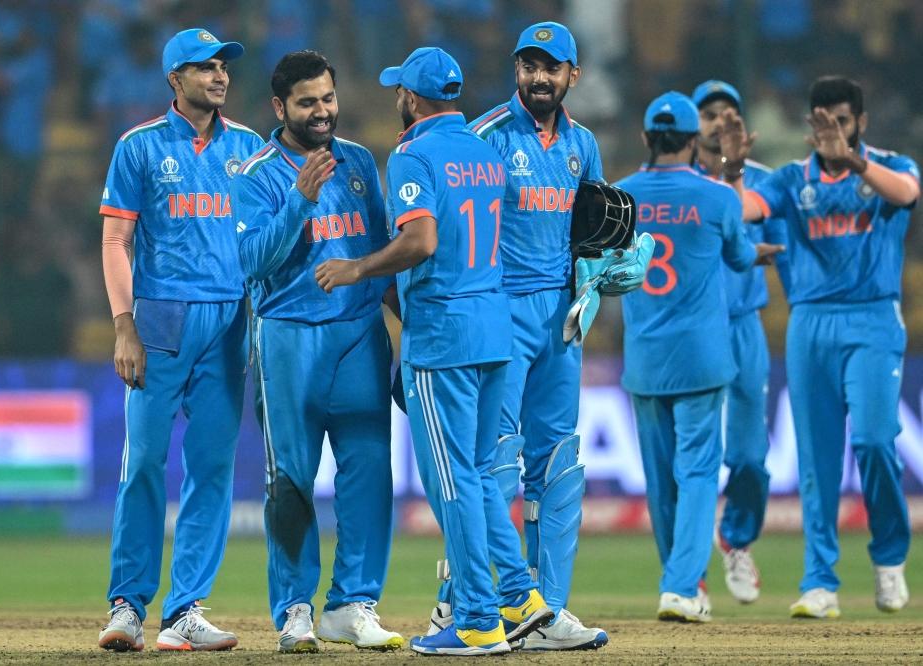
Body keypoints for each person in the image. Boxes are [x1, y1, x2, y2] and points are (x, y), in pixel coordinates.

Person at [315, 46, 553, 656]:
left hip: (444, 336)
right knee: (475, 476)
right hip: (495, 327)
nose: (397, 96)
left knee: (450, 483)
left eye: (400, 89)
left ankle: (475, 618)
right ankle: (521, 598)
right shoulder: (485, 150)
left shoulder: (413, 153)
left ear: (412, 98)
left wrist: (359, 267)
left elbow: (420, 240)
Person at [430, 22, 613, 650]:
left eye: (551, 67)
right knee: (493, 470)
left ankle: (546, 614)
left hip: (561, 321)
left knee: (559, 468)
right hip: (497, 316)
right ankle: (459, 608)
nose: (538, 78)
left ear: (572, 76)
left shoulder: (583, 144)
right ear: (516, 70)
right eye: (528, 66)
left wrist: (604, 271)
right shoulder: (481, 138)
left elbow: (588, 235)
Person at [726, 76, 918, 618]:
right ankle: (820, 582)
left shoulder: (893, 167)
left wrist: (853, 163)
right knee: (816, 461)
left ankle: (888, 559)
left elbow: (907, 196)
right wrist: (735, 170)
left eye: (841, 119)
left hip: (874, 318)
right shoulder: (790, 179)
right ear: (810, 123)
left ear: (861, 121)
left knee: (878, 442)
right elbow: (737, 212)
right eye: (822, 120)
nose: (831, 130)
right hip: (810, 323)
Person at [96, 28, 263, 652]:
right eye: (204, 67)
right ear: (175, 79)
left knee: (213, 469)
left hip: (229, 322)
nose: (219, 76)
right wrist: (123, 326)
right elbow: (117, 240)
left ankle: (185, 611)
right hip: (159, 322)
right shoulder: (138, 147)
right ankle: (127, 606)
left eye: (223, 67)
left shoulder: (249, 148)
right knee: (142, 462)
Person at [231, 50, 402, 654]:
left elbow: (383, 257)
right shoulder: (254, 175)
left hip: (359, 336)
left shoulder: (357, 162)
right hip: (288, 337)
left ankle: (353, 605)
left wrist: (404, 341)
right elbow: (249, 263)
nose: (323, 111)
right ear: (280, 108)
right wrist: (299, 201)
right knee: (292, 483)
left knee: (369, 474)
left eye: (328, 98)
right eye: (309, 103)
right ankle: (296, 609)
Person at [615, 91, 781, 623]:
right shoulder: (717, 198)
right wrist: (756, 252)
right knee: (698, 473)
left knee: (660, 479)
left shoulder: (620, 197)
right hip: (702, 357)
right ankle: (682, 587)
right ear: (692, 142)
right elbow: (737, 257)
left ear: (645, 139)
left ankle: (679, 581)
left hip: (645, 358)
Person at [690, 79, 789, 604]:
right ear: (693, 123)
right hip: (692, 327)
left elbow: (777, 234)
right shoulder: (678, 182)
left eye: (729, 112)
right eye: (708, 113)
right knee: (696, 455)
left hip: (744, 325)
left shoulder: (766, 184)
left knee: (750, 455)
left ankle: (736, 540)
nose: (719, 121)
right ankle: (690, 574)